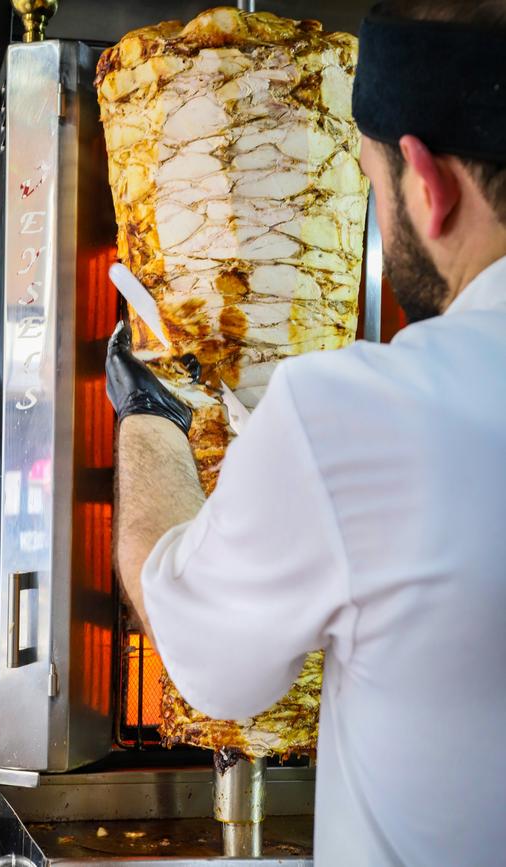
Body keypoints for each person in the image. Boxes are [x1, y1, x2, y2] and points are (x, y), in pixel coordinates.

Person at [105, 1, 506, 864]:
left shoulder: (354, 416)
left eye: (371, 187)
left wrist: (148, 412)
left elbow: (206, 657)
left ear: (426, 184)